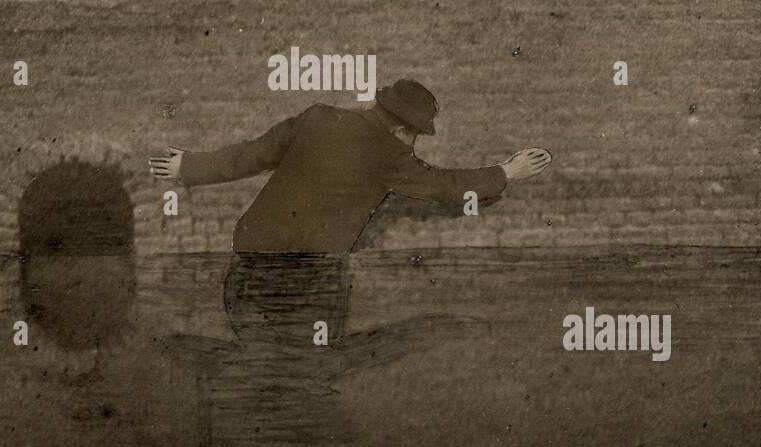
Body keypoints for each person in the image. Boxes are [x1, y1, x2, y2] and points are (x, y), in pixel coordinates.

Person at [149, 79, 552, 344]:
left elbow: (252, 155)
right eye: (414, 136)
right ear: (402, 131)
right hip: (313, 276)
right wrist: (507, 171)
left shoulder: (318, 117)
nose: (413, 144)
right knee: (311, 361)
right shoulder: (392, 155)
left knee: (257, 356)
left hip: (250, 262)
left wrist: (189, 165)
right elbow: (445, 186)